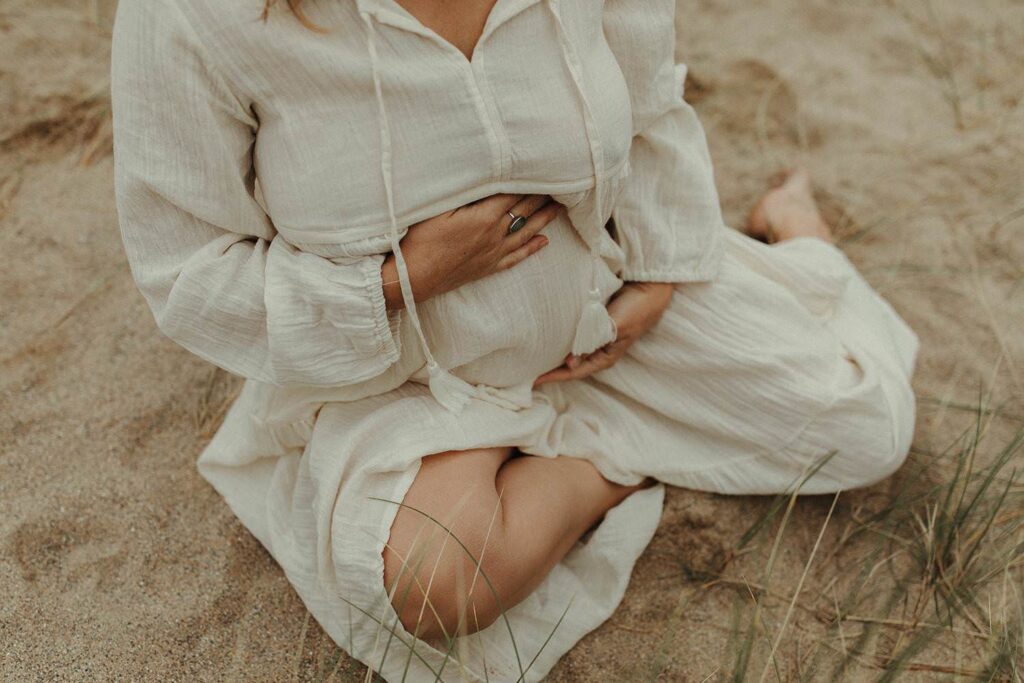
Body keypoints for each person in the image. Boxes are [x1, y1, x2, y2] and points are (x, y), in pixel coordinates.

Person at [110, 0, 919, 679]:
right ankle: (606, 457)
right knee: (436, 588)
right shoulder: (194, 15)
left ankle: (795, 235)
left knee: (865, 426)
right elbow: (185, 271)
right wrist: (398, 280)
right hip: (405, 374)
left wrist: (663, 271)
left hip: (602, 309)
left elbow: (648, 102)